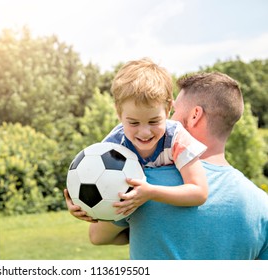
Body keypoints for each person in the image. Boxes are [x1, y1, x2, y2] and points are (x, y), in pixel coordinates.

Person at [64, 70, 268, 259]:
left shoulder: (139, 183)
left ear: (194, 115)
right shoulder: (262, 204)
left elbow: (98, 236)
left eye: (173, 111)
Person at [92, 58, 210, 218]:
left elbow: (200, 192)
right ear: (119, 113)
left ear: (168, 109)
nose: (145, 132)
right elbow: (95, 183)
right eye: (133, 123)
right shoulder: (113, 146)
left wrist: (151, 192)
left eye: (154, 121)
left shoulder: (177, 138)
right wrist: (80, 205)